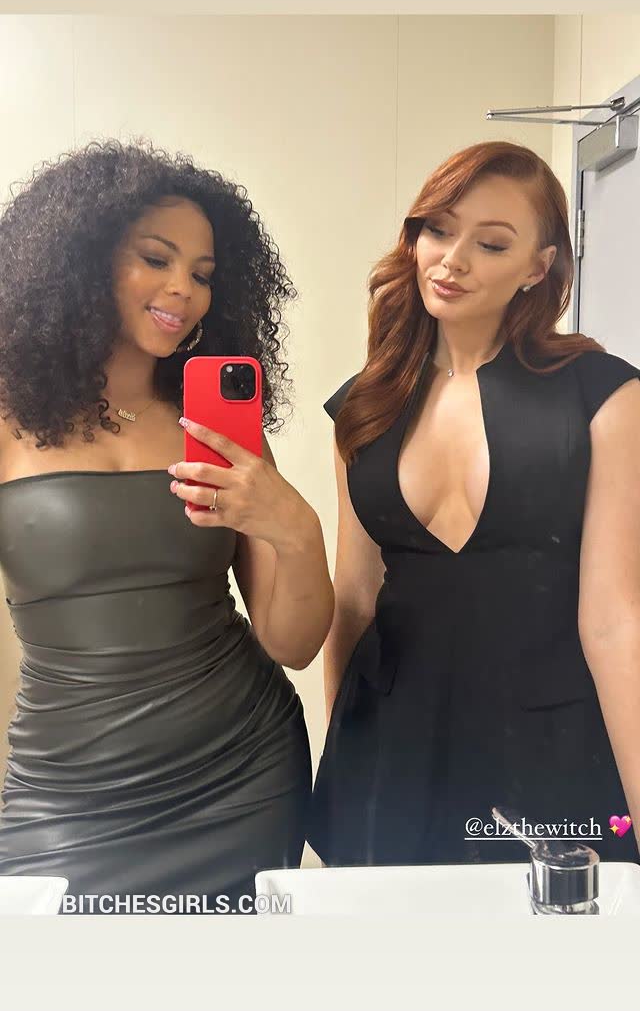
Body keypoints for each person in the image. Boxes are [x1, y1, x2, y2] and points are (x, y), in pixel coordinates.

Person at [0, 139, 333, 913]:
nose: (183, 288)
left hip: (240, 771)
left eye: (203, 274)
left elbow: (293, 643)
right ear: (82, 262)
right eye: (156, 258)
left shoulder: (216, 429)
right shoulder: (9, 415)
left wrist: (297, 530)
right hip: (63, 792)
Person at [308, 139, 640, 869]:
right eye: (438, 229)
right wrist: (345, 764)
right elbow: (354, 598)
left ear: (538, 268)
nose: (452, 260)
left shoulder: (605, 395)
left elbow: (615, 621)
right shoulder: (364, 407)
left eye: (491, 244)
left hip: (551, 748)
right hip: (389, 746)